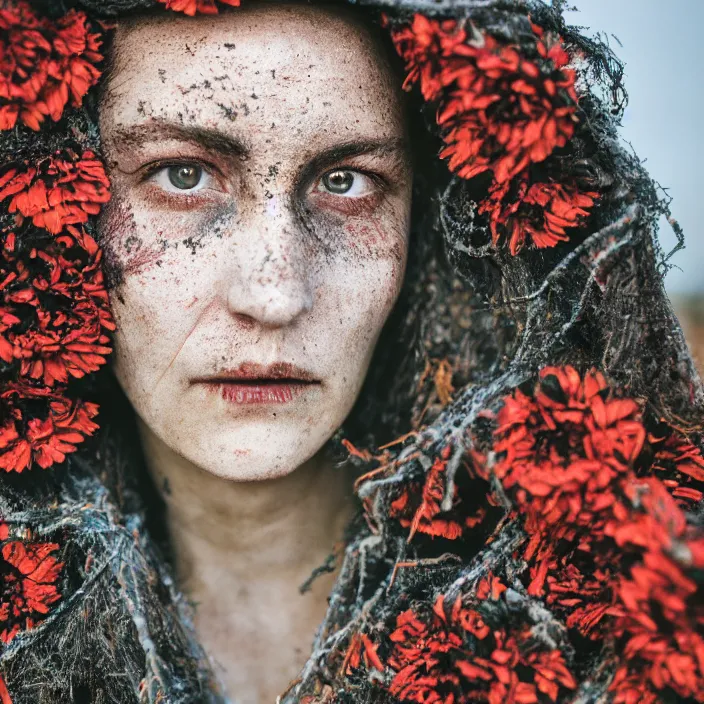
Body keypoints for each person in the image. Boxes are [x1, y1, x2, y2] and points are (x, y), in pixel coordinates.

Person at [0, 1, 702, 704]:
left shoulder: (640, 619)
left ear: (428, 224)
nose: (274, 294)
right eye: (182, 174)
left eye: (346, 181)